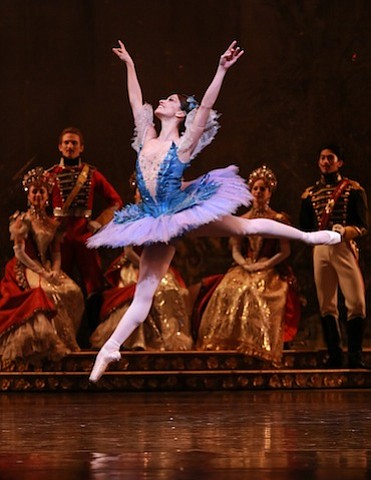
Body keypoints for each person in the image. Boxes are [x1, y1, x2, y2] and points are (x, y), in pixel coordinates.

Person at [87, 40, 340, 382]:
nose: (162, 100)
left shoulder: (184, 143)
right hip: (153, 219)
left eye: (171, 100)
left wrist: (220, 70)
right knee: (144, 291)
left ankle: (308, 236)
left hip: (180, 211)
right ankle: (110, 348)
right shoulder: (146, 136)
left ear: (179, 115)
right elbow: (135, 100)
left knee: (245, 228)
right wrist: (130, 65)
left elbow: (205, 105)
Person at [196, 166, 301, 365]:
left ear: (270, 192)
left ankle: (258, 344)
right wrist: (245, 263)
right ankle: (229, 342)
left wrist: (265, 264)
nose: (259, 193)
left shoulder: (278, 219)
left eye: (263, 189)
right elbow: (235, 248)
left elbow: (284, 251)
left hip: (269, 267)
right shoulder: (241, 220)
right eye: (255, 189)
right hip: (245, 266)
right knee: (229, 288)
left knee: (256, 291)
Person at [0, 167, 84, 367]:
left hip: (46, 267)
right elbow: (19, 253)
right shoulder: (21, 220)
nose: (37, 195)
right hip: (27, 266)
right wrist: (43, 273)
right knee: (47, 292)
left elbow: (55, 252)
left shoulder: (52, 223)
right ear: (29, 195)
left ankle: (67, 339)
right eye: (34, 191)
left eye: (41, 192)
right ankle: (49, 342)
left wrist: (55, 270)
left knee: (73, 291)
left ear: (47, 196)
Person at [47, 127, 123, 330]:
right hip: (59, 239)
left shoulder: (92, 175)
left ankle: (93, 336)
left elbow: (115, 202)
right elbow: (37, 206)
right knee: (58, 286)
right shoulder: (50, 175)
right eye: (66, 143)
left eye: (74, 143)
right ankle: (62, 334)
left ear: (81, 148)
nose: (69, 146)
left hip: (84, 236)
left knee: (94, 286)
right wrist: (47, 227)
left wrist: (99, 222)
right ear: (60, 147)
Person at [300, 144, 368, 368]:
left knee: (356, 302)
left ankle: (355, 355)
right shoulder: (310, 194)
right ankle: (335, 354)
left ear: (340, 162)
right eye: (322, 158)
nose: (325, 162)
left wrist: (345, 231)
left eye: (330, 158)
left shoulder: (353, 189)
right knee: (326, 304)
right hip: (320, 248)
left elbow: (362, 225)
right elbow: (305, 227)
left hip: (343, 246)